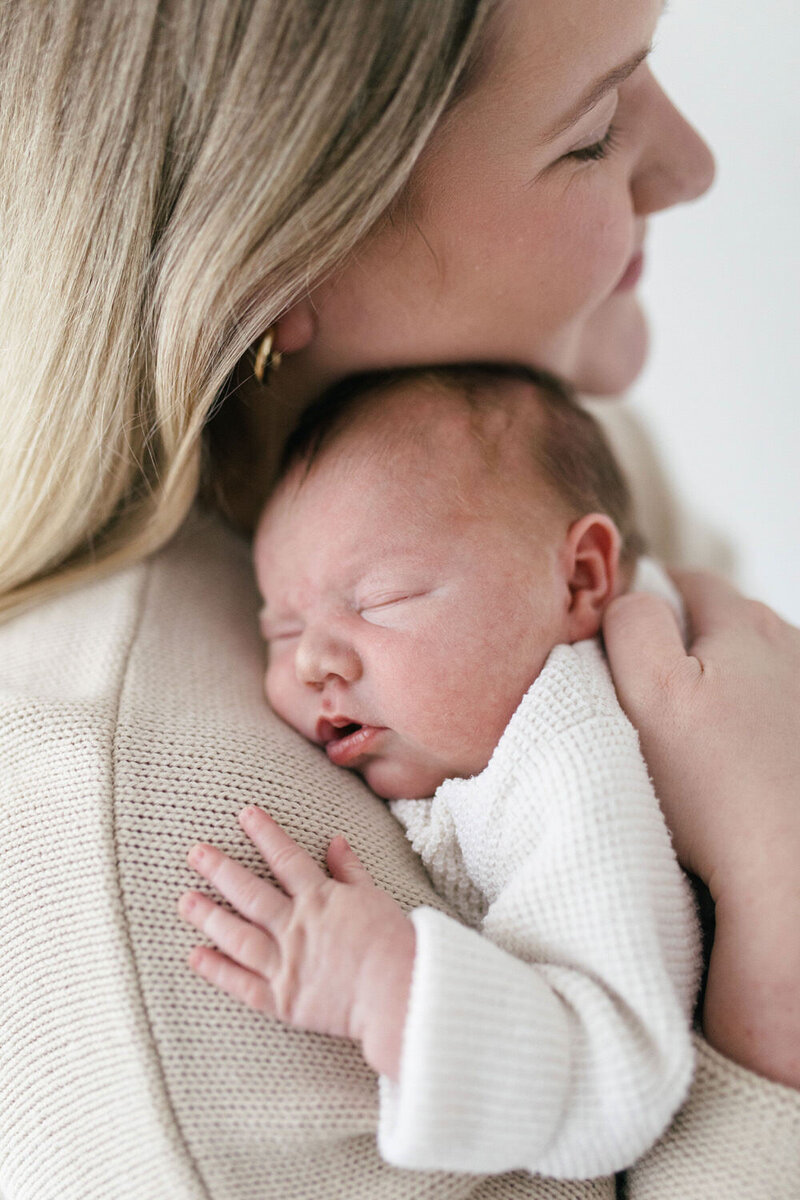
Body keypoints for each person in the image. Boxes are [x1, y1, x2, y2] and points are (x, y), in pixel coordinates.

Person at [1, 2, 798, 1199]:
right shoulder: (166, 906)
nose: (690, 163)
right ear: (282, 260)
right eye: (589, 132)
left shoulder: (503, 493)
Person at [180, 361, 704, 1177]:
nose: (314, 659)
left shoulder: (568, 759)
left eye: (379, 599)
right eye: (281, 629)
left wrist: (386, 986)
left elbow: (616, 1072)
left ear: (579, 579)